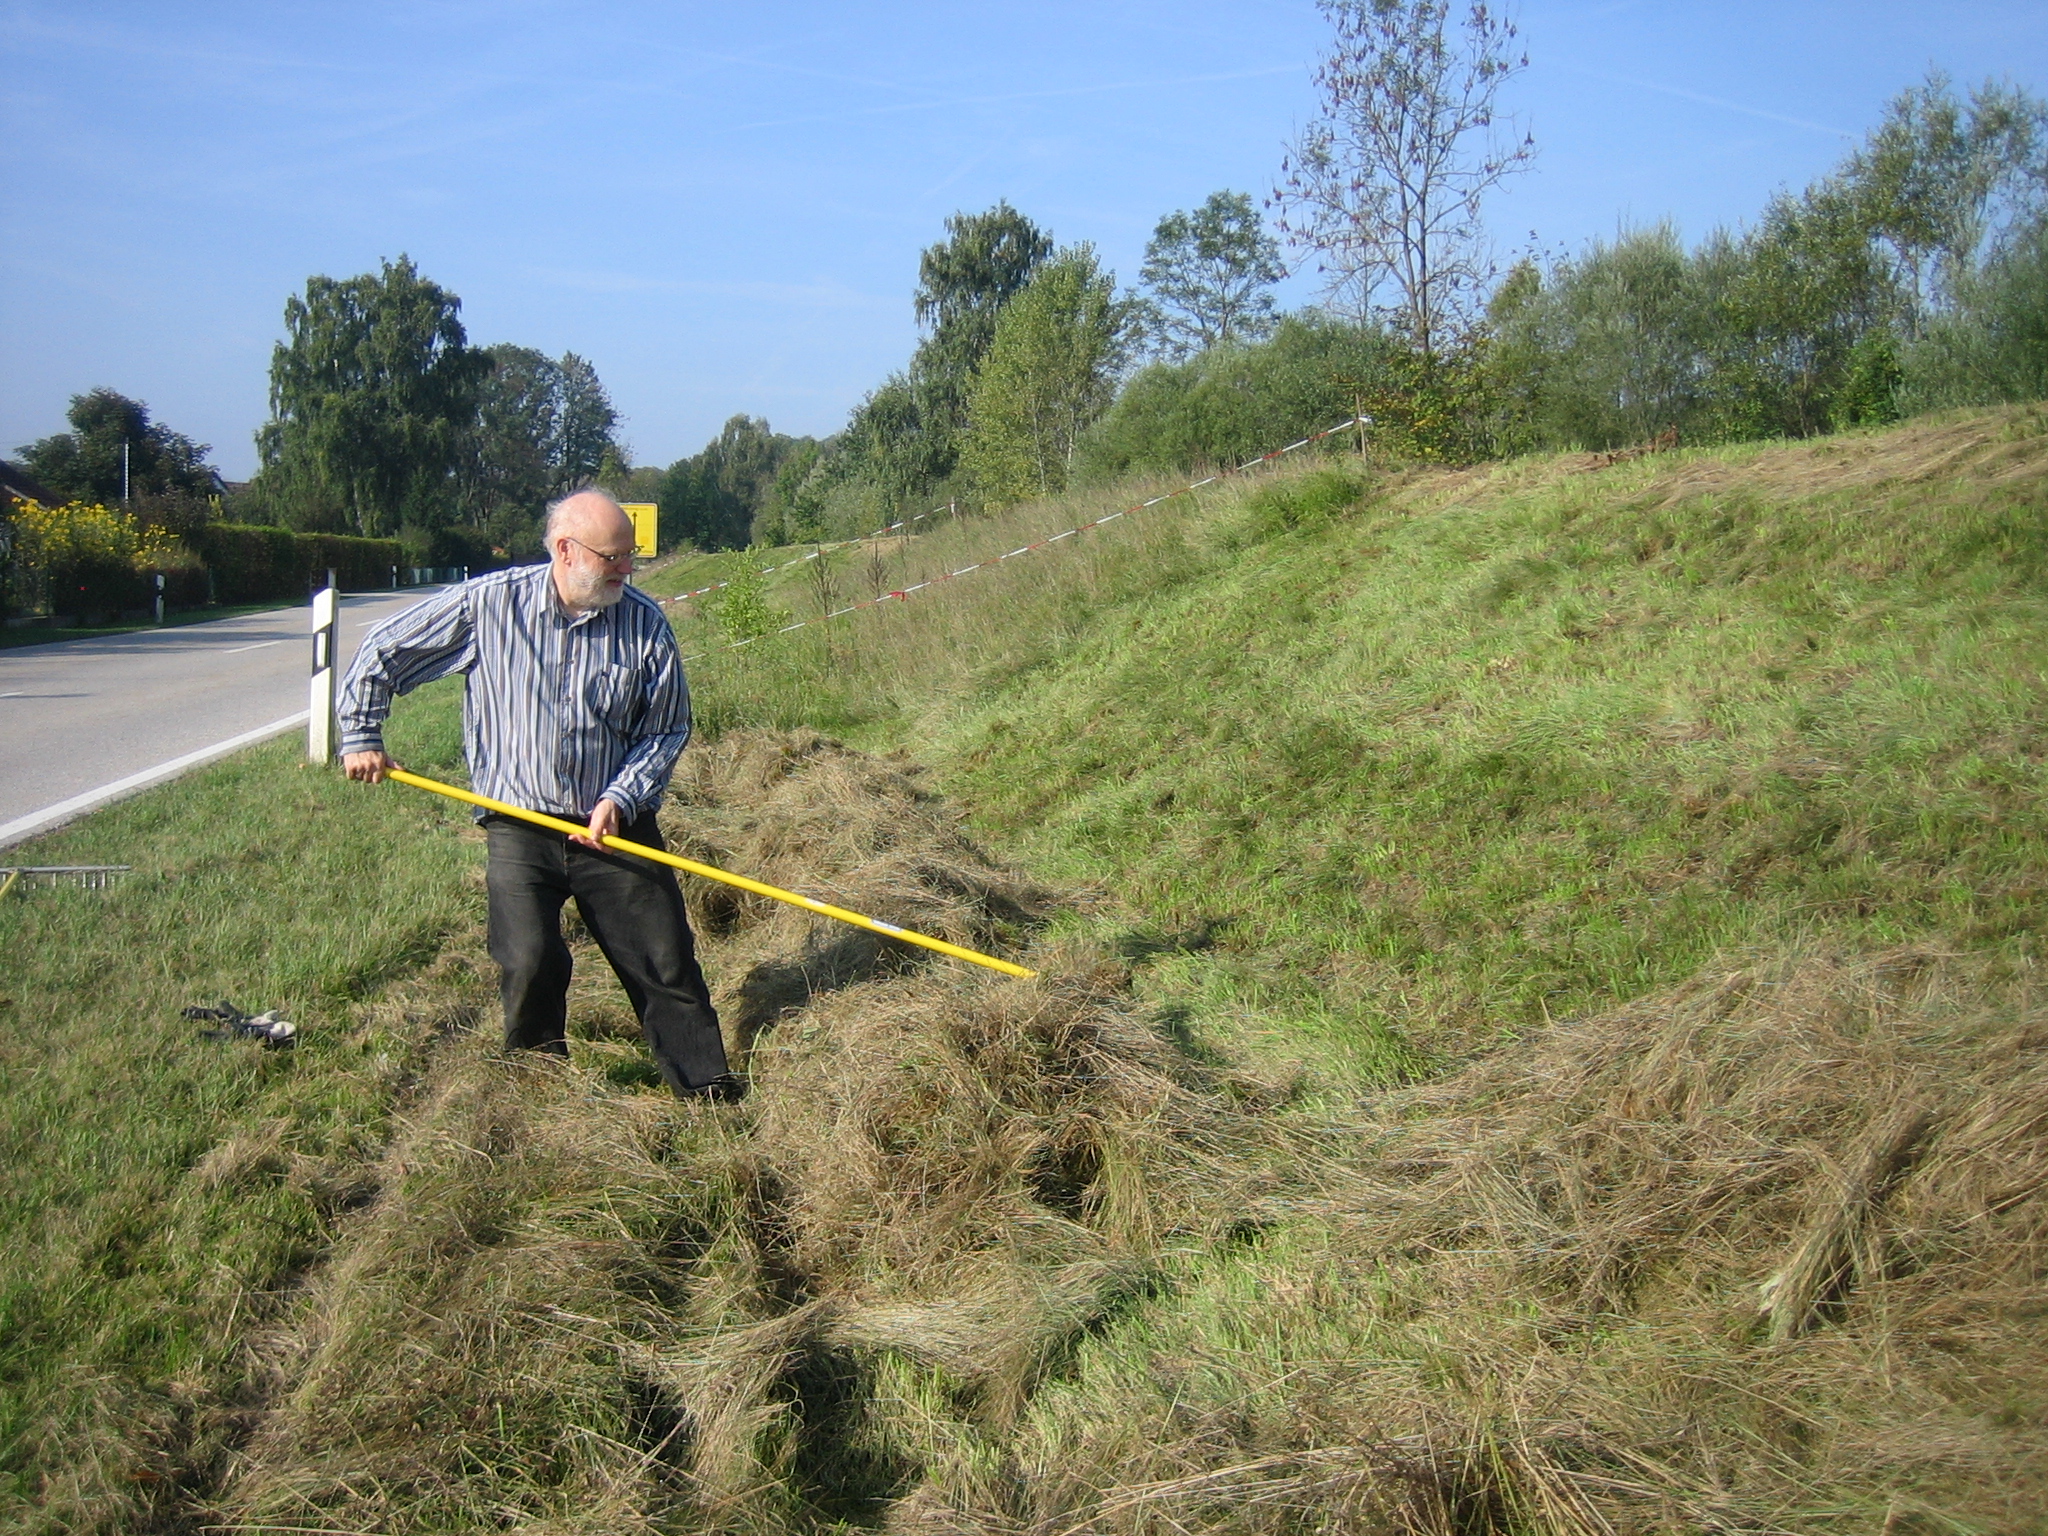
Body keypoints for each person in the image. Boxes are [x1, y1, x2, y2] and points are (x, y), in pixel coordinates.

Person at [336, 488, 742, 1101]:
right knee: (529, 961)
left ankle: (706, 1089)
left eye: (630, 556)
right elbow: (382, 651)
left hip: (614, 825)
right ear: (564, 550)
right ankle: (537, 1090)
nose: (627, 569)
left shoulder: (645, 623)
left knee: (664, 961)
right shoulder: (489, 606)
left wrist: (622, 796)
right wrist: (362, 733)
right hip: (517, 821)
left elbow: (667, 727)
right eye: (614, 557)